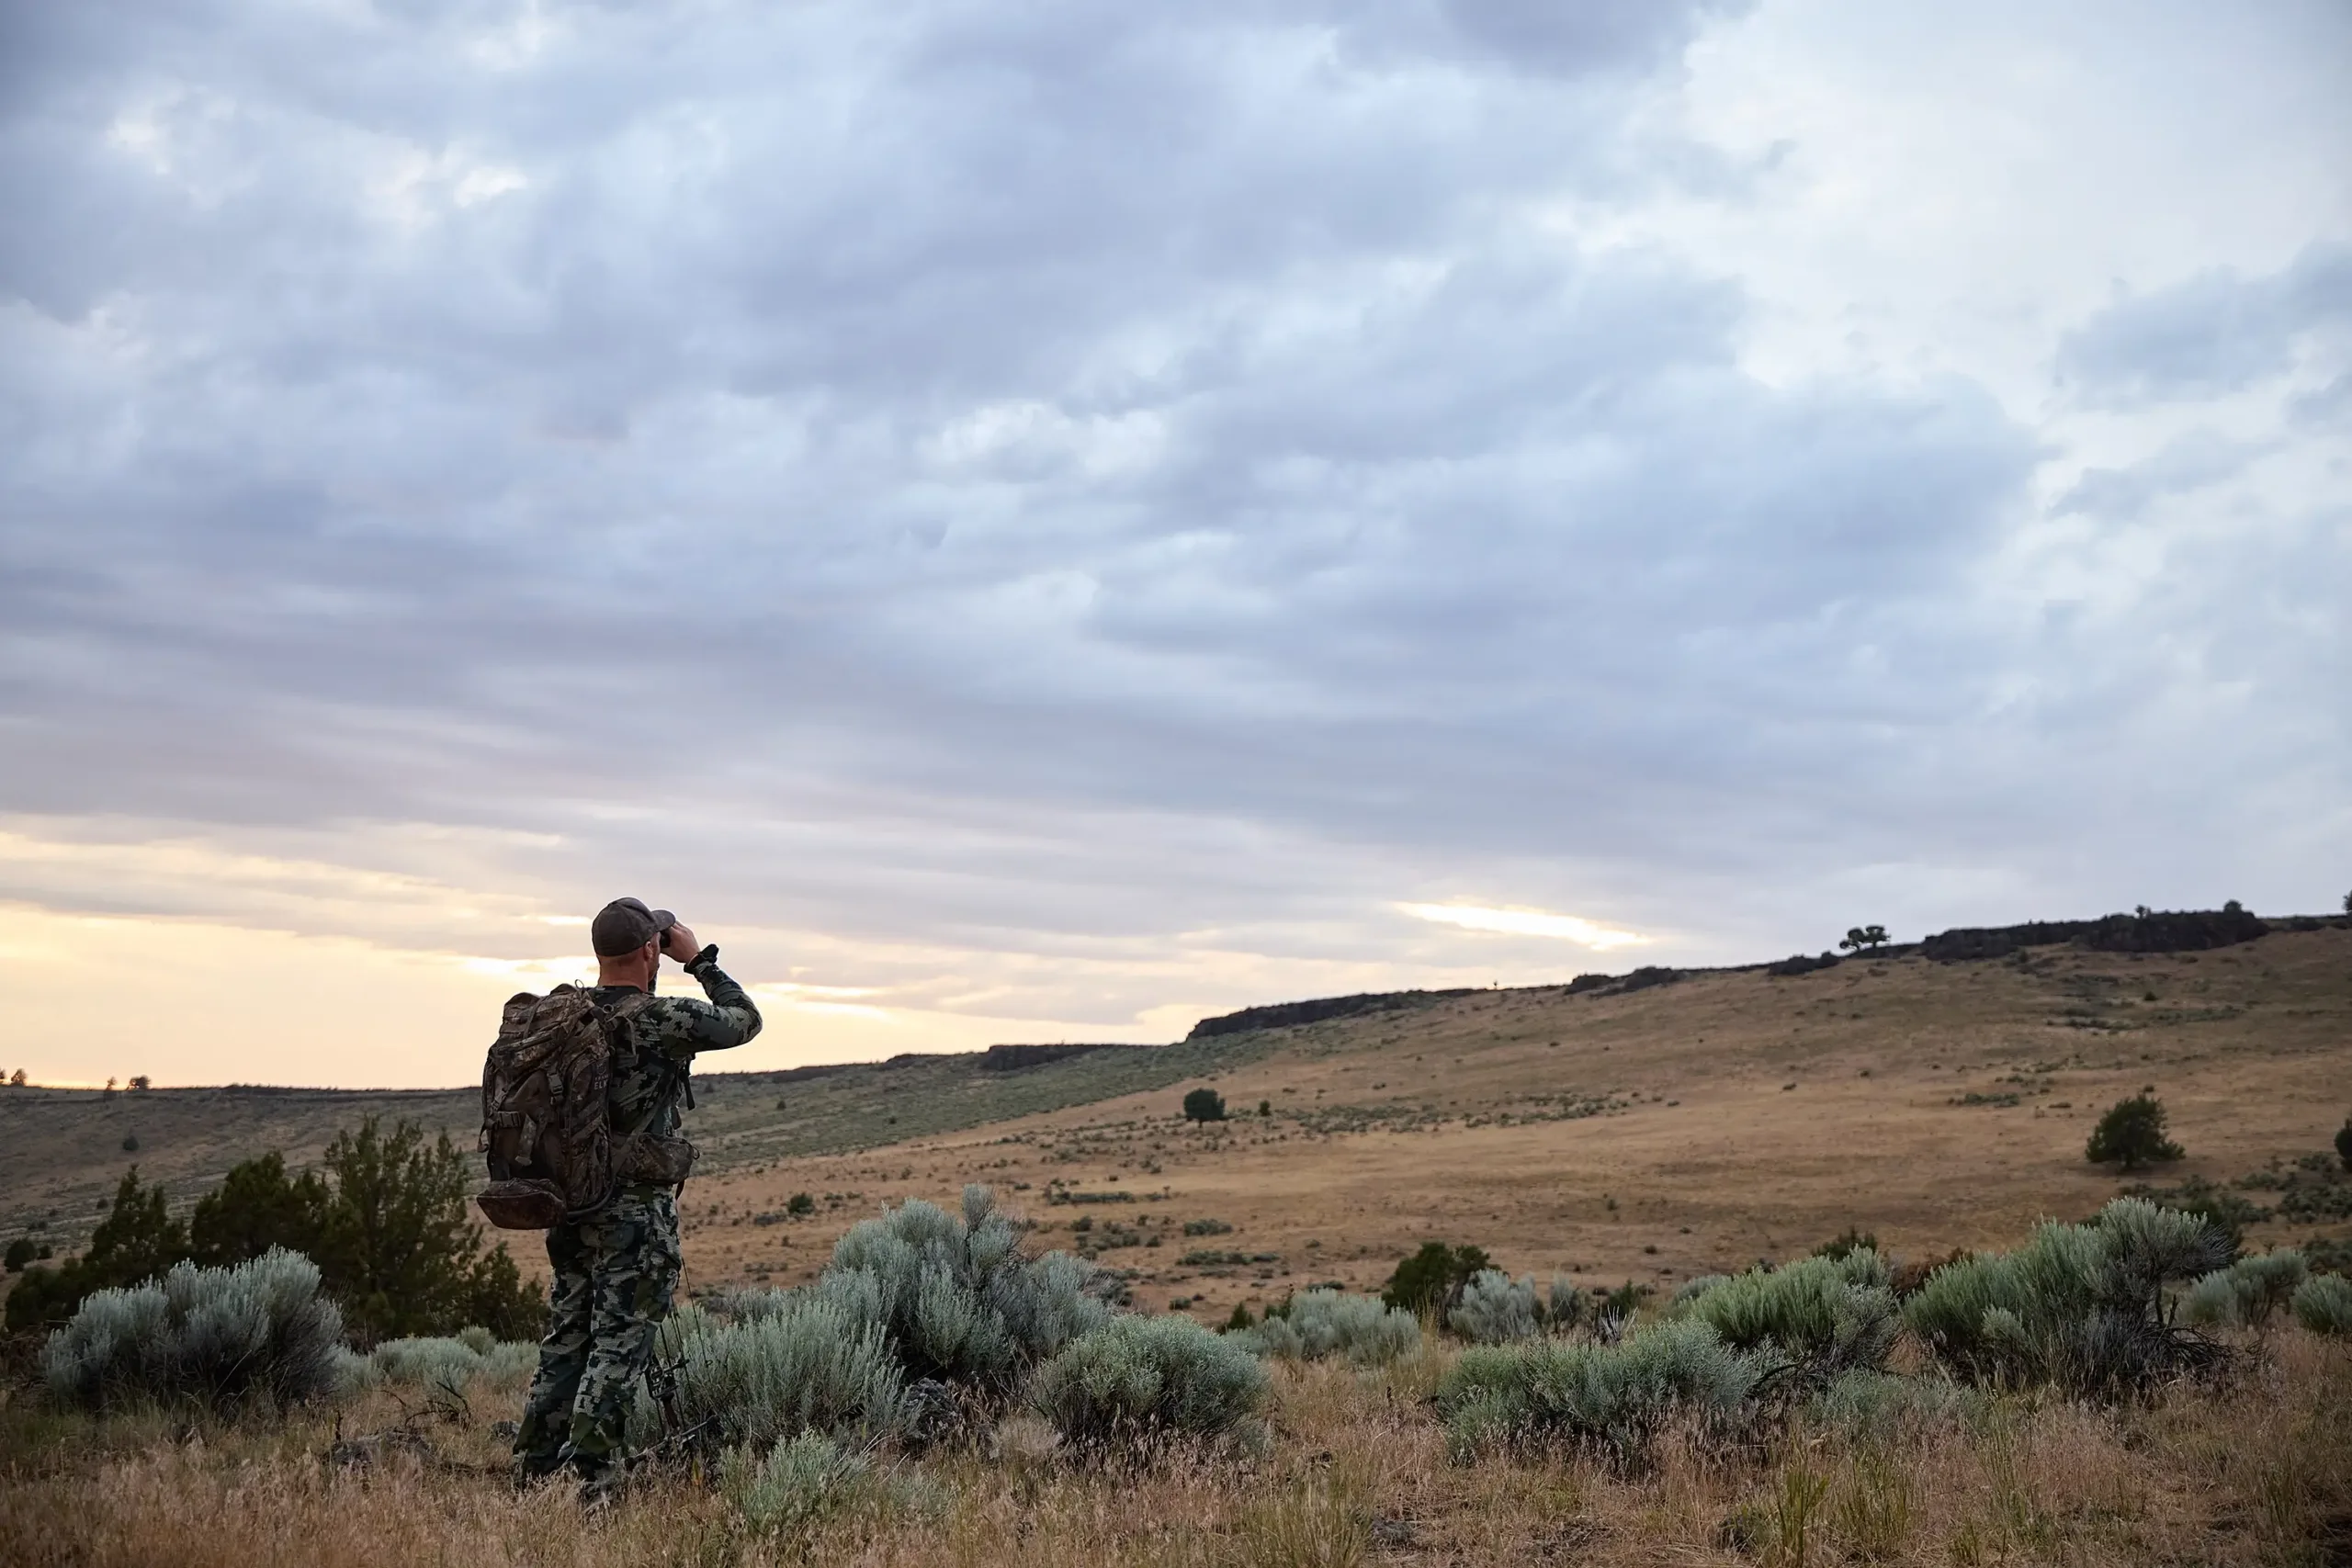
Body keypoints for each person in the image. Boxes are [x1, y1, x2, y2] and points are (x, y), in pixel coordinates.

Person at [514, 897, 762, 1494]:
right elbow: (743, 1020)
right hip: (634, 1214)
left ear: (598, 953)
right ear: (651, 949)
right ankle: (589, 1483)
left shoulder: (560, 1018)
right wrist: (699, 958)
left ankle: (535, 1472)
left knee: (568, 1335)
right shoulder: (658, 1019)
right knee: (620, 1343)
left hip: (569, 1202)